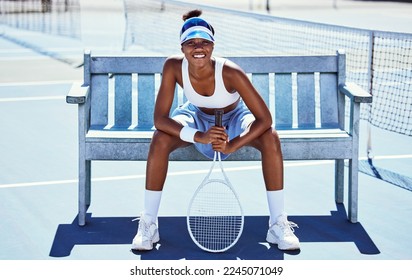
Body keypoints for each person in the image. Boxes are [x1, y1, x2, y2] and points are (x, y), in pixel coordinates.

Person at [132, 9, 300, 251]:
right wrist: (199, 135)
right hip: (196, 116)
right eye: (191, 43)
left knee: (270, 137)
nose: (198, 47)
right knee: (160, 138)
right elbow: (160, 119)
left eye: (204, 42)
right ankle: (149, 225)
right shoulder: (172, 67)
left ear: (213, 46)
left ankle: (277, 224)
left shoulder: (231, 72)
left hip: (235, 118)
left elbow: (265, 119)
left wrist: (233, 144)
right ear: (182, 48)